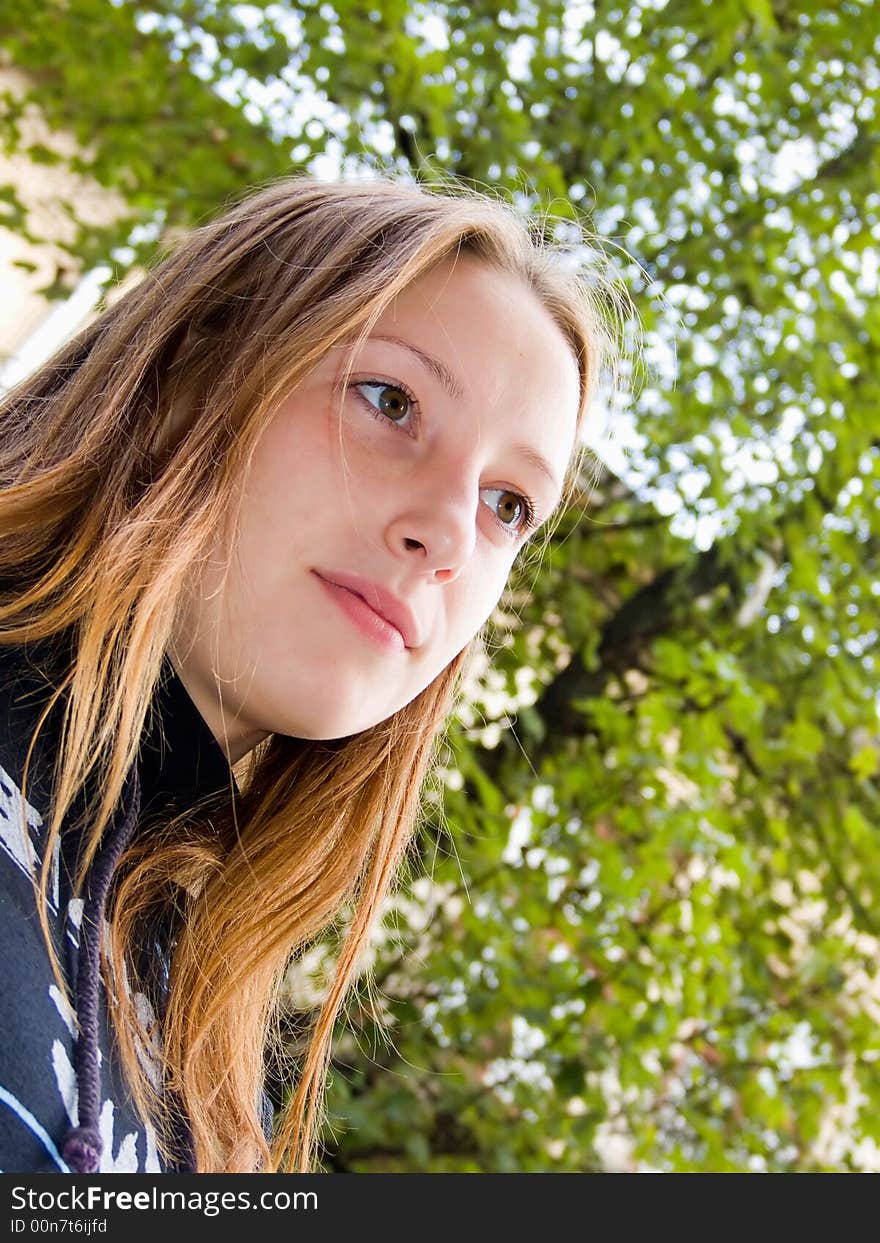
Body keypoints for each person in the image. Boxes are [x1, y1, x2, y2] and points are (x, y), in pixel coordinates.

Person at [0, 173, 618, 1173]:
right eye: (390, 400)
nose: (449, 531)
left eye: (509, 503)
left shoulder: (200, 1047)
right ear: (189, 381)